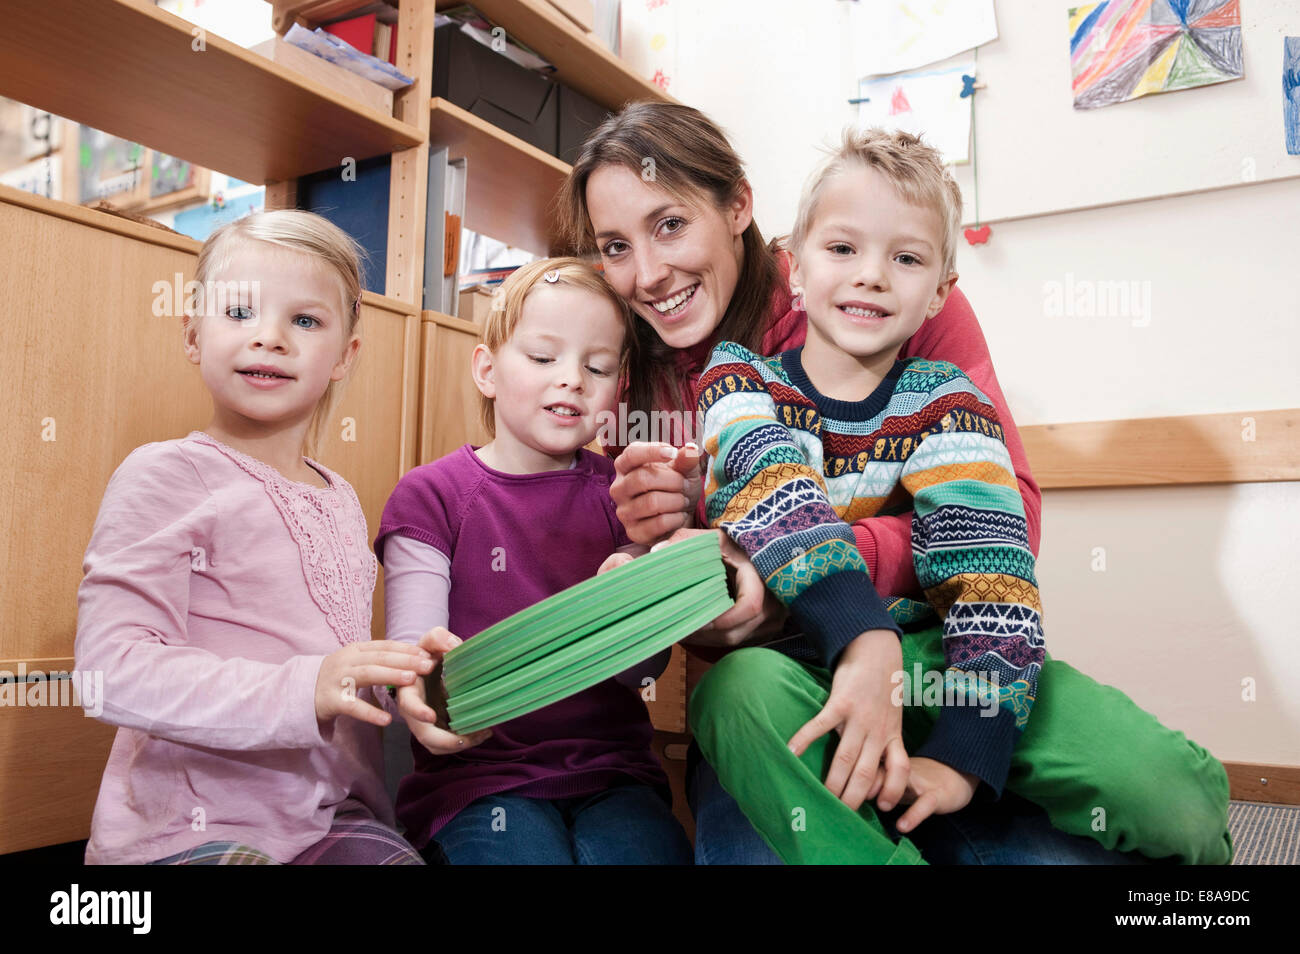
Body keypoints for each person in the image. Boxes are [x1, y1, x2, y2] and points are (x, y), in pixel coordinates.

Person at [559, 103, 1230, 864]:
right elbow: (771, 484)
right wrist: (668, 572)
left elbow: (991, 562)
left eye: (670, 224)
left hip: (942, 657)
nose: (648, 273)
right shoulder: (726, 381)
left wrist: (961, 745)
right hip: (786, 682)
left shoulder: (945, 398)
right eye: (616, 246)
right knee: (738, 701)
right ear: (802, 266)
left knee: (1166, 795)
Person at [75, 210, 433, 864]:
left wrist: (415, 684)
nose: (269, 338)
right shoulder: (165, 474)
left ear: (345, 356)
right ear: (193, 335)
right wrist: (307, 686)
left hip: (324, 821)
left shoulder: (343, 498)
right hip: (183, 835)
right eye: (239, 312)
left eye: (305, 321)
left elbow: (337, 677)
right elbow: (109, 673)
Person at [374, 258, 693, 865]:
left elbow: (641, 674)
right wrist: (423, 686)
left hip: (613, 775)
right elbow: (414, 659)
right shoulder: (431, 495)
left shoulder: (621, 494)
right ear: (488, 370)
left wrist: (634, 592)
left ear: (617, 389)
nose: (571, 379)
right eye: (544, 358)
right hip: (479, 780)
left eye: (595, 367)